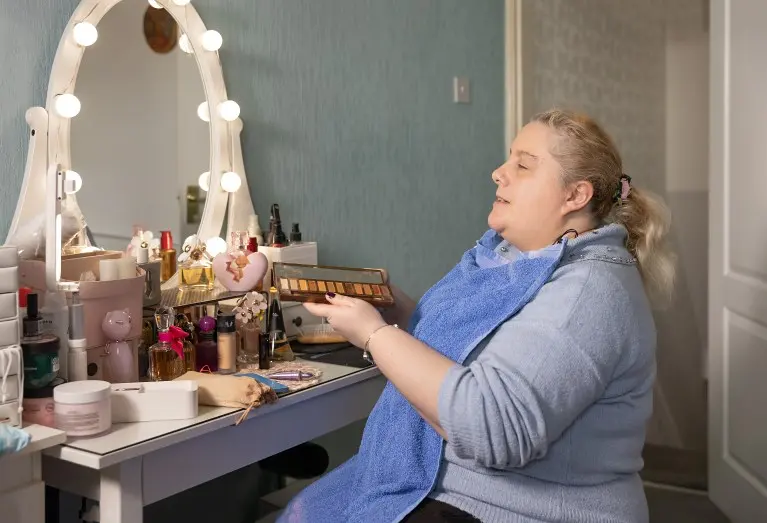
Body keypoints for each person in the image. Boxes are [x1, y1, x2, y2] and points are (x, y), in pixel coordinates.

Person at [277, 109, 675, 523]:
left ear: (575, 196)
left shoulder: (588, 292)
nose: (498, 173)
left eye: (523, 164)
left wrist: (375, 336)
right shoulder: (514, 260)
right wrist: (396, 310)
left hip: (515, 509)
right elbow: (477, 344)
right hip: (453, 488)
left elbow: (492, 430)